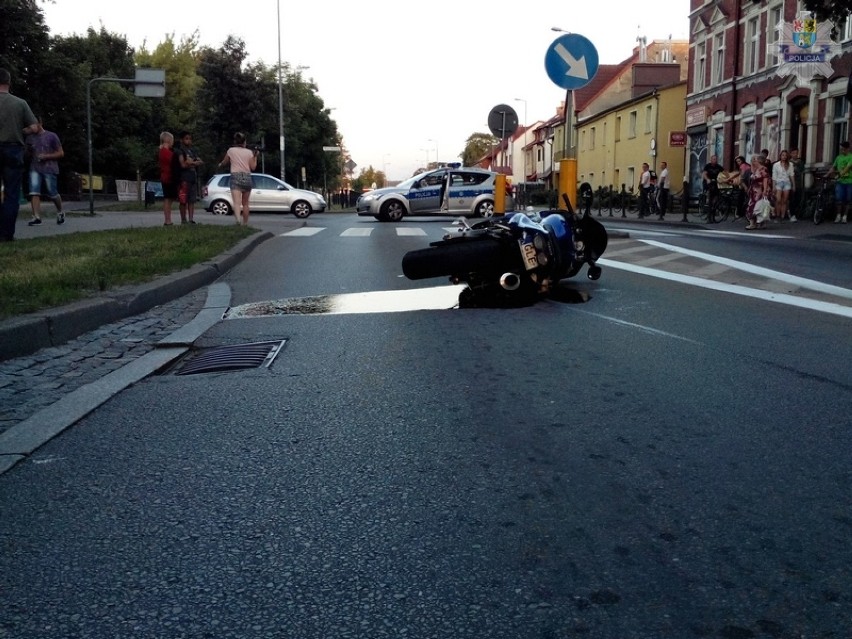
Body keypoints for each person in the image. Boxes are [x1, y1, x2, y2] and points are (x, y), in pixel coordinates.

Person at [0, 68, 39, 242]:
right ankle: (7, 234)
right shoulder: (20, 103)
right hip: (13, 149)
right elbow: (35, 127)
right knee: (12, 193)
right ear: (9, 82)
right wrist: (20, 130)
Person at [25, 117, 65, 226]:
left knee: (52, 193)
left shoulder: (51, 136)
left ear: (40, 123)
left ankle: (60, 211)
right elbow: (28, 154)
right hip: (34, 168)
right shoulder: (30, 138)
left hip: (49, 168)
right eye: (29, 126)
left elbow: (61, 153)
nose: (31, 128)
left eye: (32, 125)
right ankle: (36, 217)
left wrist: (47, 156)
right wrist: (28, 151)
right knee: (34, 192)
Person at [218, 132, 258, 225]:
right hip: (247, 177)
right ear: (244, 142)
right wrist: (255, 157)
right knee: (245, 203)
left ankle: (238, 221)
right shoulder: (249, 152)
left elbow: (225, 162)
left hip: (235, 176)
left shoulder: (231, 151)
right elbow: (253, 167)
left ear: (235, 141)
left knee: (236, 202)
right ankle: (245, 223)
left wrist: (220, 164)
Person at [175, 130, 202, 224]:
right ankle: (183, 219)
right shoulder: (180, 151)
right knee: (183, 200)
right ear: (182, 140)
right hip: (184, 178)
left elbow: (199, 161)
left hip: (192, 177)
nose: (189, 141)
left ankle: (191, 219)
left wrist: (192, 163)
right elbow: (183, 164)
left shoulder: (193, 151)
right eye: (186, 139)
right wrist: (192, 163)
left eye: (190, 139)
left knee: (192, 200)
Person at [827, 140, 852, 224]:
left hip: (849, 181)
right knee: (839, 199)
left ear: (848, 149)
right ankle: (838, 215)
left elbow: (847, 168)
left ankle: (845, 216)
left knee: (848, 200)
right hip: (840, 182)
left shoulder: (851, 157)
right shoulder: (838, 157)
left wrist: (839, 175)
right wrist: (827, 174)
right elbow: (833, 167)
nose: (842, 151)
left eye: (844, 149)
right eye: (841, 149)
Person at [745, 154, 771, 230]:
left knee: (758, 207)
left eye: (755, 159)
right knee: (753, 206)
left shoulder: (763, 169)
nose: (753, 161)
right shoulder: (755, 169)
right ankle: (753, 223)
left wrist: (765, 190)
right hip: (754, 191)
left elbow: (765, 179)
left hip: (760, 191)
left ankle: (758, 223)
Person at [158, 131, 177, 226]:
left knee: (169, 199)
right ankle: (167, 220)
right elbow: (174, 161)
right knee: (168, 199)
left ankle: (168, 219)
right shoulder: (166, 152)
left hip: (166, 176)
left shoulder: (163, 151)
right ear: (168, 140)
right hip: (168, 177)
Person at [771, 149, 795, 222]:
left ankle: (782, 216)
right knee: (778, 200)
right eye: (782, 155)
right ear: (780, 156)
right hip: (778, 182)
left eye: (785, 155)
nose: (784, 157)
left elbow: (791, 175)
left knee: (784, 201)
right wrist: (773, 186)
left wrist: (794, 185)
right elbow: (774, 176)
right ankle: (777, 215)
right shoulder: (776, 165)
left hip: (787, 182)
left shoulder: (790, 164)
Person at [702, 154, 723, 221]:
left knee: (716, 198)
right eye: (713, 159)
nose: (715, 160)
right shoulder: (707, 166)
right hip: (709, 183)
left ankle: (712, 211)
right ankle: (708, 211)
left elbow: (724, 173)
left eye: (716, 159)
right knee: (709, 196)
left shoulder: (719, 167)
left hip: (716, 183)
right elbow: (704, 174)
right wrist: (707, 179)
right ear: (711, 160)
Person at [788, 147, 804, 222]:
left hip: (798, 183)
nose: (795, 155)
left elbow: (802, 171)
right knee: (792, 199)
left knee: (798, 198)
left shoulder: (800, 162)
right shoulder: (789, 162)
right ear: (791, 154)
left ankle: (794, 212)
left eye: (796, 153)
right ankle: (792, 213)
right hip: (790, 183)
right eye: (793, 153)